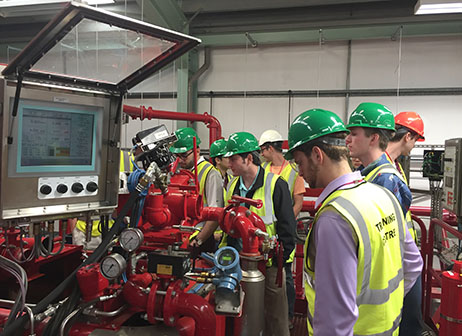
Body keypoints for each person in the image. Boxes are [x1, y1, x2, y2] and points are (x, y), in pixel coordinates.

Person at [286, 108, 422, 335]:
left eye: (299, 162)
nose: (300, 173)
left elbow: (334, 323)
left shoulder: (335, 217)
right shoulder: (383, 195)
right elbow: (413, 265)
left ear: (318, 155)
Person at [346, 103, 424, 336]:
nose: (348, 140)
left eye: (353, 134)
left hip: (393, 271)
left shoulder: (385, 177)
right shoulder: (375, 173)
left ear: (374, 138)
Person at [222, 131, 295, 336]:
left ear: (249, 158)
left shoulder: (276, 184)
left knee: (276, 318)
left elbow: (288, 229)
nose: (229, 164)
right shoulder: (232, 186)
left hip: (269, 265)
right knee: (242, 314)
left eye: (234, 158)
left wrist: (278, 261)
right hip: (239, 264)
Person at [259, 129, 305, 328]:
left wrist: (285, 222)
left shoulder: (294, 171)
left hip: (283, 233)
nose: (260, 154)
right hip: (265, 234)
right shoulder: (263, 169)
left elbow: (299, 201)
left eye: (262, 149)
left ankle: (287, 317)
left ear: (270, 148)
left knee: (285, 276)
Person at [387, 111, 426, 336]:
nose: (414, 145)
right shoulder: (385, 170)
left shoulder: (396, 165)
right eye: (416, 139)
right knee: (409, 320)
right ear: (407, 137)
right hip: (395, 258)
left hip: (404, 255)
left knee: (410, 318)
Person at [169, 127, 224, 252]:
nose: (180, 160)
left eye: (183, 155)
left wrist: (198, 240)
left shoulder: (210, 173)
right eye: (176, 156)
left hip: (198, 241)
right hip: (176, 238)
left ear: (197, 150)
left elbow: (215, 215)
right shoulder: (175, 171)